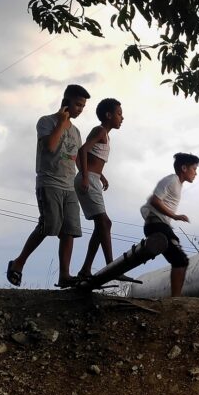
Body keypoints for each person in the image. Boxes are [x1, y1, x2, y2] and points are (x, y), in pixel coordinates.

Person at [7, 84, 90, 288]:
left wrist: (90, 176)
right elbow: (51, 147)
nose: (80, 109)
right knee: (49, 225)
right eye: (78, 104)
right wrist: (61, 122)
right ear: (66, 101)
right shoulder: (47, 122)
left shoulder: (77, 131)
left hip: (70, 185)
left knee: (70, 230)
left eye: (83, 106)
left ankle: (64, 275)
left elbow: (77, 157)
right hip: (49, 182)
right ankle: (18, 263)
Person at [74, 98, 124, 280]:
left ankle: (86, 270)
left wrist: (100, 175)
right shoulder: (100, 130)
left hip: (94, 178)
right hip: (88, 180)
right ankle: (111, 267)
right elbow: (81, 151)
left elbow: (90, 156)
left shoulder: (106, 135)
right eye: (119, 114)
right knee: (104, 223)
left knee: (102, 224)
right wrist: (86, 176)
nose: (122, 117)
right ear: (108, 115)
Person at [140, 153, 199, 296]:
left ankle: (175, 297)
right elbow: (156, 200)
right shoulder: (172, 180)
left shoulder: (178, 184)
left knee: (180, 259)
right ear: (184, 168)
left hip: (160, 225)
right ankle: (175, 299)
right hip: (157, 225)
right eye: (194, 169)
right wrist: (175, 216)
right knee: (180, 260)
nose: (196, 173)